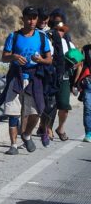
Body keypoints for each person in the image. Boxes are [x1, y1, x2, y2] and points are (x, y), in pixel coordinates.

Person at [0, 6, 52, 154]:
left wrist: (40, 59)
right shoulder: (13, 36)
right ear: (23, 19)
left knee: (36, 112)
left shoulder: (42, 37)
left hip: (34, 78)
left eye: (34, 18)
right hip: (16, 76)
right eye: (29, 17)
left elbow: (49, 59)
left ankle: (27, 134)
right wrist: (14, 57)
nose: (32, 21)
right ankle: (13, 145)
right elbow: (4, 57)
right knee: (13, 112)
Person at [37, 9, 77, 143]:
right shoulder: (47, 41)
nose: (60, 32)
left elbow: (77, 59)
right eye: (57, 29)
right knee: (50, 103)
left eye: (62, 30)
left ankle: (60, 128)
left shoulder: (68, 43)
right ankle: (47, 128)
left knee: (64, 105)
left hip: (64, 76)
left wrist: (75, 64)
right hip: (49, 74)